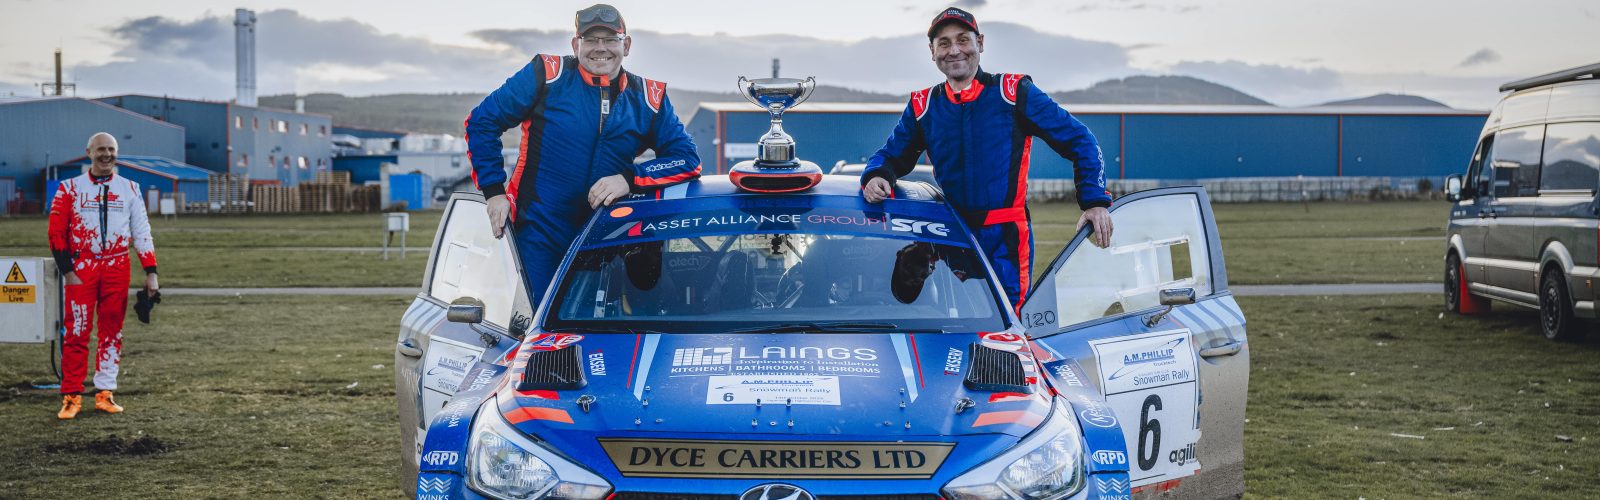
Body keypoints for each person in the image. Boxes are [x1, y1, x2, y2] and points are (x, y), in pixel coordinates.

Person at [861, 7, 1115, 311]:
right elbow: (891, 156)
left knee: (1010, 322)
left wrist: (1094, 201)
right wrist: (877, 175)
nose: (954, 50)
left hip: (1006, 239)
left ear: (980, 43)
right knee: (958, 321)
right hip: (953, 236)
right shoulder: (923, 105)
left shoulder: (1013, 92)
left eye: (963, 40)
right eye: (944, 43)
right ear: (932, 51)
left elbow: (1080, 140)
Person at [466, 4, 701, 305]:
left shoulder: (649, 97)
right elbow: (481, 122)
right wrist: (494, 192)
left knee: (595, 325)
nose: (600, 48)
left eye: (610, 39)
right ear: (576, 44)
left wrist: (630, 178)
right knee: (536, 321)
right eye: (591, 39)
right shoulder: (547, 73)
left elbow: (687, 159)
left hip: (605, 235)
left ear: (626, 45)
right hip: (539, 233)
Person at [47, 132, 158, 419]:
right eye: (100, 149)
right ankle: (71, 396)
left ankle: (105, 393)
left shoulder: (130, 188)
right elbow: (56, 233)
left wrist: (151, 272)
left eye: (111, 149)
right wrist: (68, 271)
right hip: (81, 268)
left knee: (112, 331)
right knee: (77, 330)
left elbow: (142, 232)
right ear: (89, 152)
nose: (106, 154)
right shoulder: (69, 188)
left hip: (117, 266)